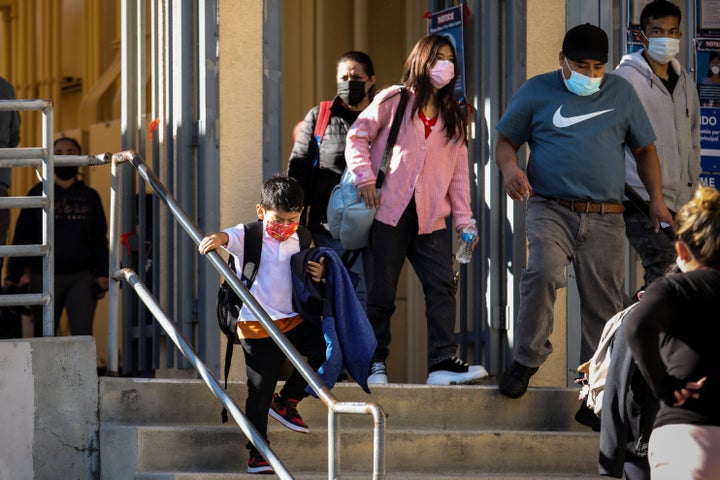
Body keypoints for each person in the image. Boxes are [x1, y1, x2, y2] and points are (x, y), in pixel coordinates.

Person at [494, 23, 673, 399]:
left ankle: (592, 388)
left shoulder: (620, 92)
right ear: (562, 59)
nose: (590, 74)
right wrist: (511, 170)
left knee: (602, 303)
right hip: (550, 207)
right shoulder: (536, 90)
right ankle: (526, 358)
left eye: (597, 67)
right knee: (542, 271)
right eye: (581, 65)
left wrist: (656, 199)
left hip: (607, 215)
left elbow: (644, 150)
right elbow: (506, 142)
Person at [345, 34, 487, 386]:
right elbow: (357, 136)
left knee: (441, 288)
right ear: (421, 61)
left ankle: (441, 362)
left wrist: (465, 222)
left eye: (450, 58)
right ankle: (375, 363)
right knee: (381, 292)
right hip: (387, 212)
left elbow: (458, 177)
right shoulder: (394, 99)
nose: (445, 64)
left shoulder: (454, 117)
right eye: (438, 56)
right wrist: (364, 177)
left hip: (431, 219)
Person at [198, 175, 327, 475]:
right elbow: (225, 237)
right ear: (260, 211)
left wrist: (319, 272)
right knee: (259, 390)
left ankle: (287, 401)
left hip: (292, 320)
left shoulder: (304, 237)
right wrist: (216, 239)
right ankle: (257, 452)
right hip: (256, 326)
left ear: (301, 213)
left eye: (291, 219)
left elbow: (312, 272)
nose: (284, 227)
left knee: (326, 352)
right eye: (277, 220)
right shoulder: (251, 235)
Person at [625, 186, 720, 479]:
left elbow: (637, 325)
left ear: (680, 250)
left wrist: (665, 385)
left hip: (689, 435)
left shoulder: (673, 288)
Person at [614, 0, 700, 294]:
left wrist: (693, 189)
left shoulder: (685, 81)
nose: (667, 37)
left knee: (679, 273)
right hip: (639, 199)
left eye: (672, 31)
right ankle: (648, 333)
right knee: (663, 267)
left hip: (682, 201)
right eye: (658, 30)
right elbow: (615, 139)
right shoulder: (624, 80)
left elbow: (693, 138)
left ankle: (645, 326)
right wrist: (645, 194)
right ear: (642, 35)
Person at [288, 51, 376, 305]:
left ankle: (363, 346)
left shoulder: (383, 117)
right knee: (334, 297)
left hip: (374, 227)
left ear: (371, 80)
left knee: (366, 300)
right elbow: (299, 170)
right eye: (343, 77)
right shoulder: (321, 116)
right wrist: (298, 227)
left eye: (356, 77)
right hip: (328, 229)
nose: (349, 83)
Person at [6, 137, 109, 337]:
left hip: (81, 275)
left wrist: (102, 273)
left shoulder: (90, 196)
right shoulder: (37, 193)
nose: (64, 157)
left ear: (80, 157)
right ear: (51, 157)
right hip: (42, 274)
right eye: (59, 153)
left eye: (70, 152)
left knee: (82, 335)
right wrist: (13, 275)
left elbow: (99, 239)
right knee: (43, 336)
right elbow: (22, 237)